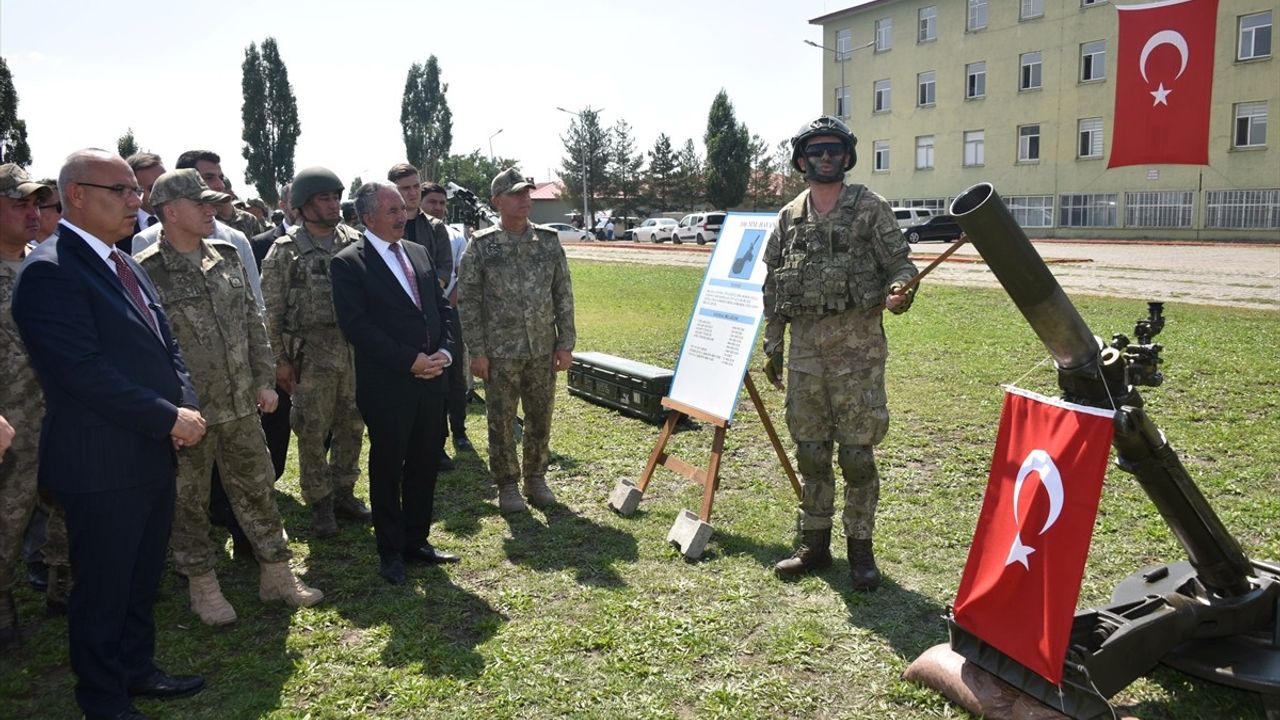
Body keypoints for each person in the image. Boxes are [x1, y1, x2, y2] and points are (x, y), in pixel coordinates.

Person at [12, 148, 207, 720]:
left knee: (142, 575)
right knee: (102, 586)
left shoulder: (126, 262)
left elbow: (165, 344)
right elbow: (82, 372)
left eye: (134, 191)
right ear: (75, 194)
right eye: (120, 190)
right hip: (99, 462)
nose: (135, 200)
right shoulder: (50, 272)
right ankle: (102, 697)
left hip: (150, 448)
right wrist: (167, 416)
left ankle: (136, 669)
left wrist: (182, 403)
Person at [135, 169, 323, 624]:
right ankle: (203, 585)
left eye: (211, 202)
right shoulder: (145, 269)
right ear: (170, 210)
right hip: (190, 414)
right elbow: (144, 346)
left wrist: (264, 379)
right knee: (190, 502)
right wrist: (168, 410)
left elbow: (252, 323)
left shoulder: (226, 255)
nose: (210, 210)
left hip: (240, 403)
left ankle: (276, 573)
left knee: (258, 487)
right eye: (200, 203)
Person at [762, 116, 918, 591]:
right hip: (805, 353)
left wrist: (899, 290)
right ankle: (814, 543)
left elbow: (901, 263)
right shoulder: (789, 216)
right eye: (816, 150)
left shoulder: (870, 207)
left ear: (846, 157)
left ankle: (860, 551)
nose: (825, 157)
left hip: (858, 353)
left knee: (856, 455)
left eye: (834, 150)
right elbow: (774, 284)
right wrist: (773, 343)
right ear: (802, 160)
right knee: (810, 451)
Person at [332, 182, 460, 585]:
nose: (402, 214)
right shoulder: (349, 262)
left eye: (402, 208)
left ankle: (416, 540)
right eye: (392, 210)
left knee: (425, 463)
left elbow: (443, 310)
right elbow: (357, 327)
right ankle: (390, 551)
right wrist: (409, 361)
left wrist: (446, 352)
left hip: (432, 379)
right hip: (388, 386)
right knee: (389, 467)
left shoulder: (419, 253)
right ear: (368, 217)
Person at [457, 168, 576, 513]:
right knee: (501, 418)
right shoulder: (481, 246)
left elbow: (562, 293)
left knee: (540, 416)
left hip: (541, 347)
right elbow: (468, 301)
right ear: (497, 202)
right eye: (515, 194)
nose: (524, 199)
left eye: (527, 193)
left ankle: (535, 478)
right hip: (500, 352)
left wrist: (565, 342)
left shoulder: (548, 241)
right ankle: (507, 483)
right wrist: (476, 352)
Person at [261, 166, 369, 536]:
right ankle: (320, 502)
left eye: (336, 197)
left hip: (354, 352)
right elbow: (271, 311)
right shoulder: (285, 250)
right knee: (310, 430)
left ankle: (344, 492)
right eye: (324, 198)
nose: (333, 204)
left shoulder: (356, 241)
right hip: (310, 355)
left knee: (352, 425)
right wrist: (279, 361)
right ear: (304, 206)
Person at [0, 163, 52, 647]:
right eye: (20, 204)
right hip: (9, 429)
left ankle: (62, 588)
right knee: (7, 519)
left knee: (67, 510)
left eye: (37, 204)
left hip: (59, 418)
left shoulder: (46, 262)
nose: (33, 214)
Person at [421, 181, 472, 452]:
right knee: (434, 378)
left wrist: (445, 306)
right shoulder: (414, 233)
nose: (438, 208)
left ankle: (460, 431)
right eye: (432, 202)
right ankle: (435, 438)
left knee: (456, 377)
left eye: (442, 203)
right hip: (423, 317)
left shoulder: (455, 236)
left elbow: (461, 276)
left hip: (450, 313)